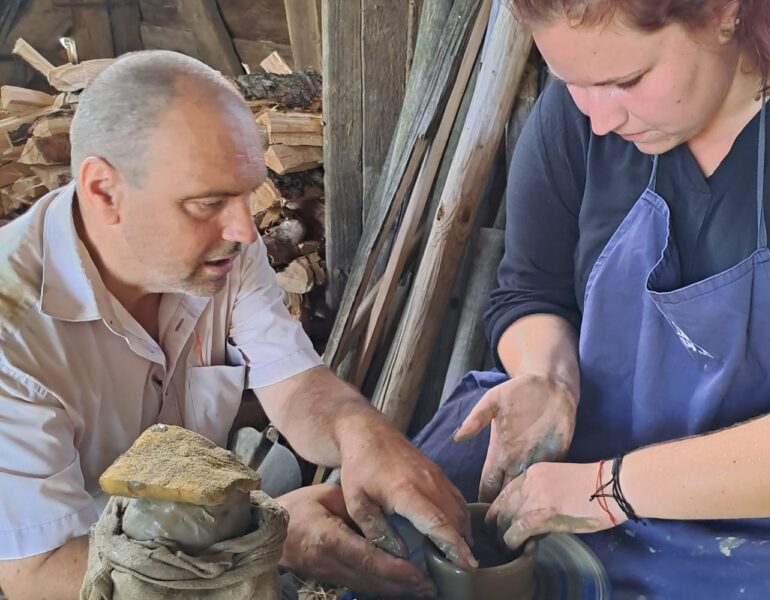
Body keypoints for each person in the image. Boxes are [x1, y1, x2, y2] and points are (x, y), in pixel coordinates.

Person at [415, 1, 770, 597]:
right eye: (573, 85)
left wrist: (610, 491)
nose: (597, 119)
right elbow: (528, 290)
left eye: (627, 82)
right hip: (589, 454)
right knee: (407, 522)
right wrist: (549, 377)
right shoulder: (586, 107)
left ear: (724, 14)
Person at [0, 51, 476, 600]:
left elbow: (295, 385)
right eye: (208, 202)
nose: (246, 229)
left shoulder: (220, 252)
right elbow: (40, 575)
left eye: (247, 194)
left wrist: (361, 432)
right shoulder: (15, 338)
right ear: (105, 190)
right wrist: (262, 544)